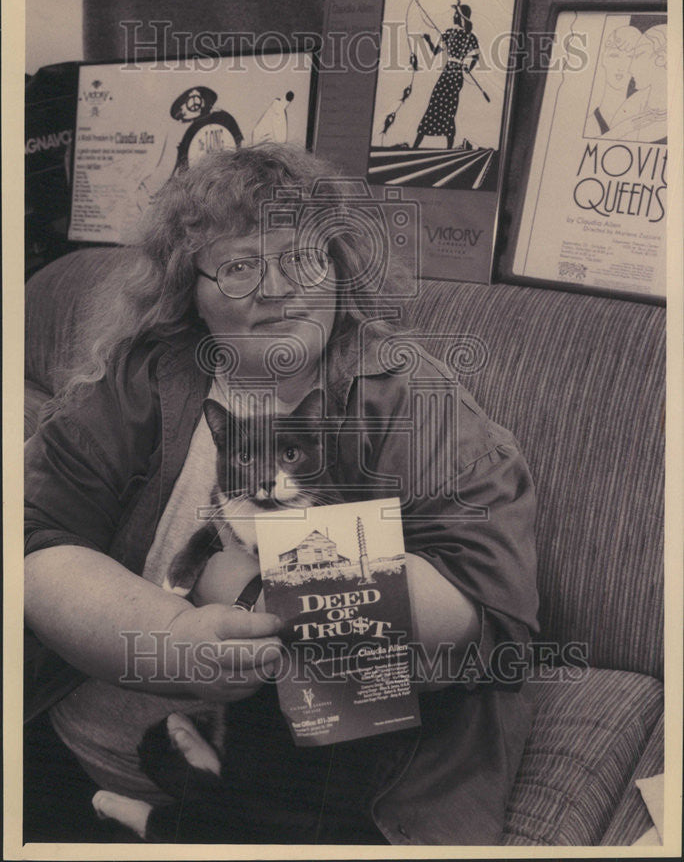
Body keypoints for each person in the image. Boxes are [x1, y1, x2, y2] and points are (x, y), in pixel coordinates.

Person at [24, 143, 538, 845]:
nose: (275, 287)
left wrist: (258, 591)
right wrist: (172, 639)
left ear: (337, 274)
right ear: (189, 293)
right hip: (73, 751)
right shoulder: (147, 376)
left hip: (323, 798)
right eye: (238, 266)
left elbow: (485, 615)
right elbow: (33, 537)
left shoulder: (406, 400)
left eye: (301, 258)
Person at [413, 1, 479, 150]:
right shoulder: (449, 33)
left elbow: (476, 56)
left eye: (456, 14)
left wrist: (469, 66)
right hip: (449, 72)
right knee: (435, 103)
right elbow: (436, 52)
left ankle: (448, 148)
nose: (454, 16)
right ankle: (416, 145)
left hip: (454, 74)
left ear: (462, 17)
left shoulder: (469, 37)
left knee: (449, 108)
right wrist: (429, 40)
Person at [600, 24, 667, 143]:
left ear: (661, 59)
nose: (630, 69)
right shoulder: (632, 106)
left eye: (637, 56)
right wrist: (624, 128)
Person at [583, 24, 641, 138]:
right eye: (614, 55)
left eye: (630, 57)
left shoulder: (643, 124)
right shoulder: (588, 127)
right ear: (604, 59)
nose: (621, 66)